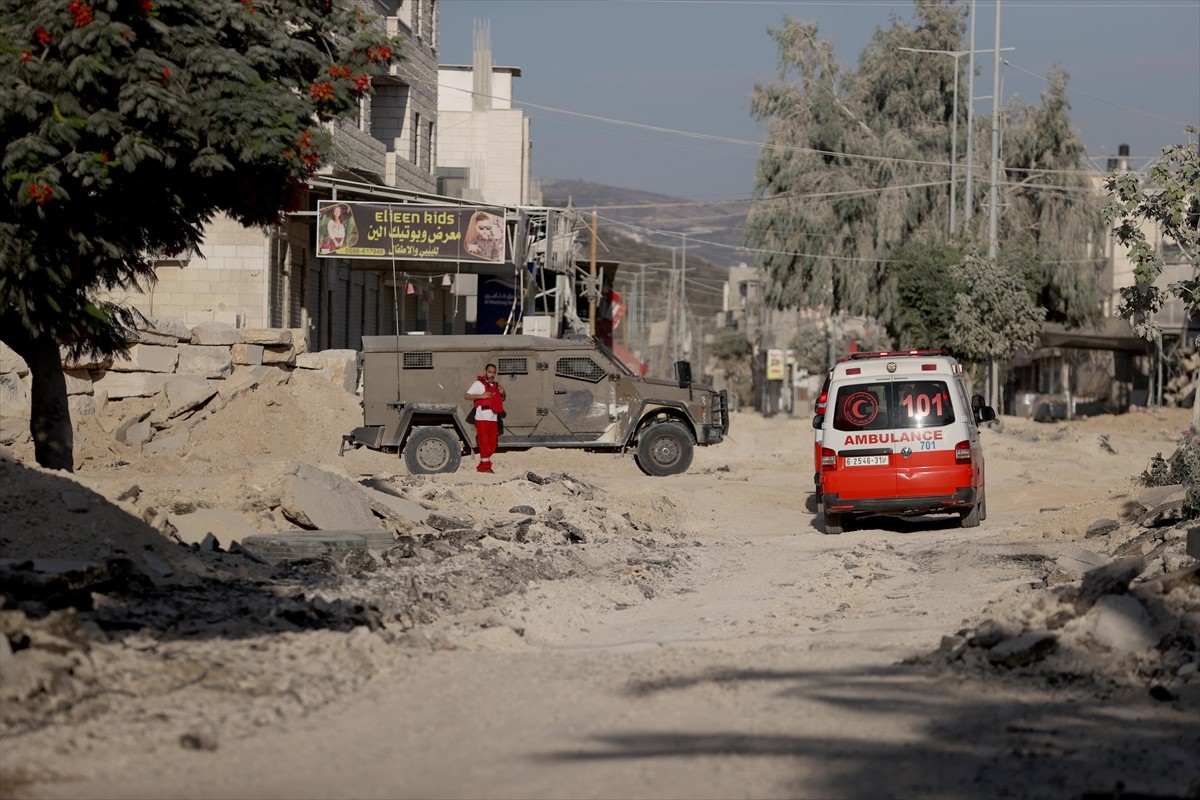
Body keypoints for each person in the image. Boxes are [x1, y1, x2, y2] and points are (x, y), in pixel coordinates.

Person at [464, 363, 506, 473]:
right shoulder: (478, 384)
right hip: (482, 418)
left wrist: (502, 392)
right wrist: (482, 396)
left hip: (493, 418)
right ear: (485, 372)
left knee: (492, 444)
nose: (492, 374)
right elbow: (466, 395)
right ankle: (485, 467)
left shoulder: (496, 386)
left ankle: (483, 464)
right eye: (489, 372)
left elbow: (503, 399)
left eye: (494, 372)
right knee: (484, 442)